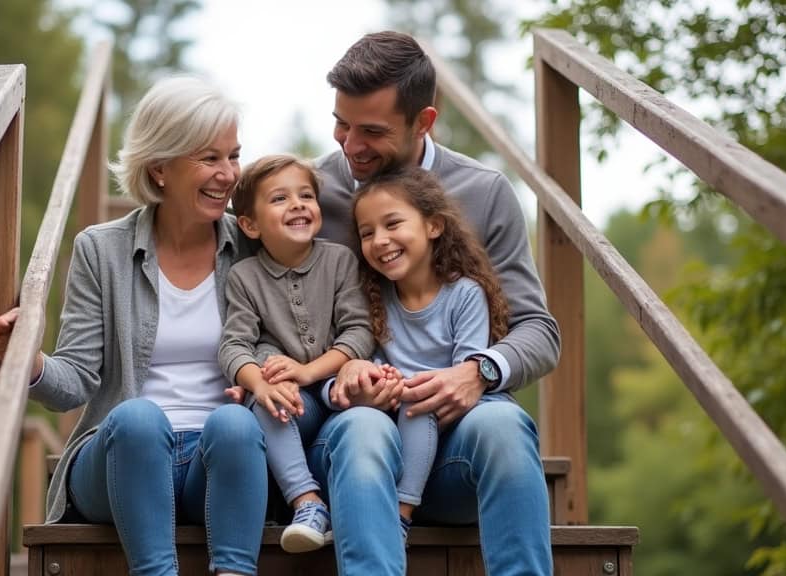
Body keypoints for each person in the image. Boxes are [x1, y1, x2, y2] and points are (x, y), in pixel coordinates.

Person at [0, 76, 267, 576]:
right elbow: (74, 383)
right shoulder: (101, 249)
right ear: (160, 168)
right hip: (120, 456)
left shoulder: (251, 245)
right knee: (137, 419)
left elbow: (281, 344)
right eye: (209, 158)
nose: (229, 175)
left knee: (237, 425)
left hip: (216, 460)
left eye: (233, 156)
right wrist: (29, 360)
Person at [308, 31, 561, 575]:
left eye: (372, 131)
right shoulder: (309, 195)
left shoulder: (484, 193)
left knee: (503, 426)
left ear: (424, 121)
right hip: (354, 443)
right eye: (341, 124)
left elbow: (538, 331)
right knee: (365, 428)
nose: (350, 146)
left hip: (454, 444)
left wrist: (476, 372)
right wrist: (341, 377)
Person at [220, 154, 438, 554]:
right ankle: (307, 503)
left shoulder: (340, 261)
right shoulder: (244, 277)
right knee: (267, 401)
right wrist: (257, 383)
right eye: (280, 199)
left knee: (386, 396)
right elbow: (235, 344)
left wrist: (307, 370)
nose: (298, 204)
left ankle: (399, 509)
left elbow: (359, 331)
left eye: (306, 195)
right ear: (249, 224)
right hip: (292, 396)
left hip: (338, 380)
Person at [345, 166, 509, 544]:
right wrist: (374, 377)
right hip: (389, 426)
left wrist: (411, 389)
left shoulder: (465, 294)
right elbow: (368, 357)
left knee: (418, 405)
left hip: (450, 426)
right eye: (367, 233)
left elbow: (465, 375)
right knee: (402, 406)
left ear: (433, 226)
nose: (380, 240)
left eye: (393, 224)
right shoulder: (373, 299)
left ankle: (401, 514)